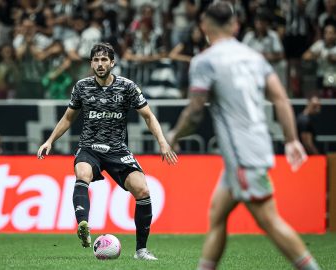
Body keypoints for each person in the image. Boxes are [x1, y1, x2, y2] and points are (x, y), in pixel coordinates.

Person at [167, 3, 320, 270]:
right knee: (217, 215)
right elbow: (280, 98)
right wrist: (291, 139)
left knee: (269, 221)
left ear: (204, 27)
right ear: (236, 26)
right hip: (248, 150)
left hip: (242, 155)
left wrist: (173, 135)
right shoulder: (254, 57)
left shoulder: (204, 61)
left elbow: (194, 113)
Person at [37, 42, 177, 260]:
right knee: (82, 173)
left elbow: (148, 116)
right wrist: (50, 141)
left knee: (143, 191)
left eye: (104, 60)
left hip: (117, 150)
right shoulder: (82, 87)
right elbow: (67, 118)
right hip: (89, 147)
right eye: (95, 60)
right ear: (91, 63)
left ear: (112, 63)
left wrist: (163, 142)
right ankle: (83, 224)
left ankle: (141, 250)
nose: (100, 64)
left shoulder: (127, 87)